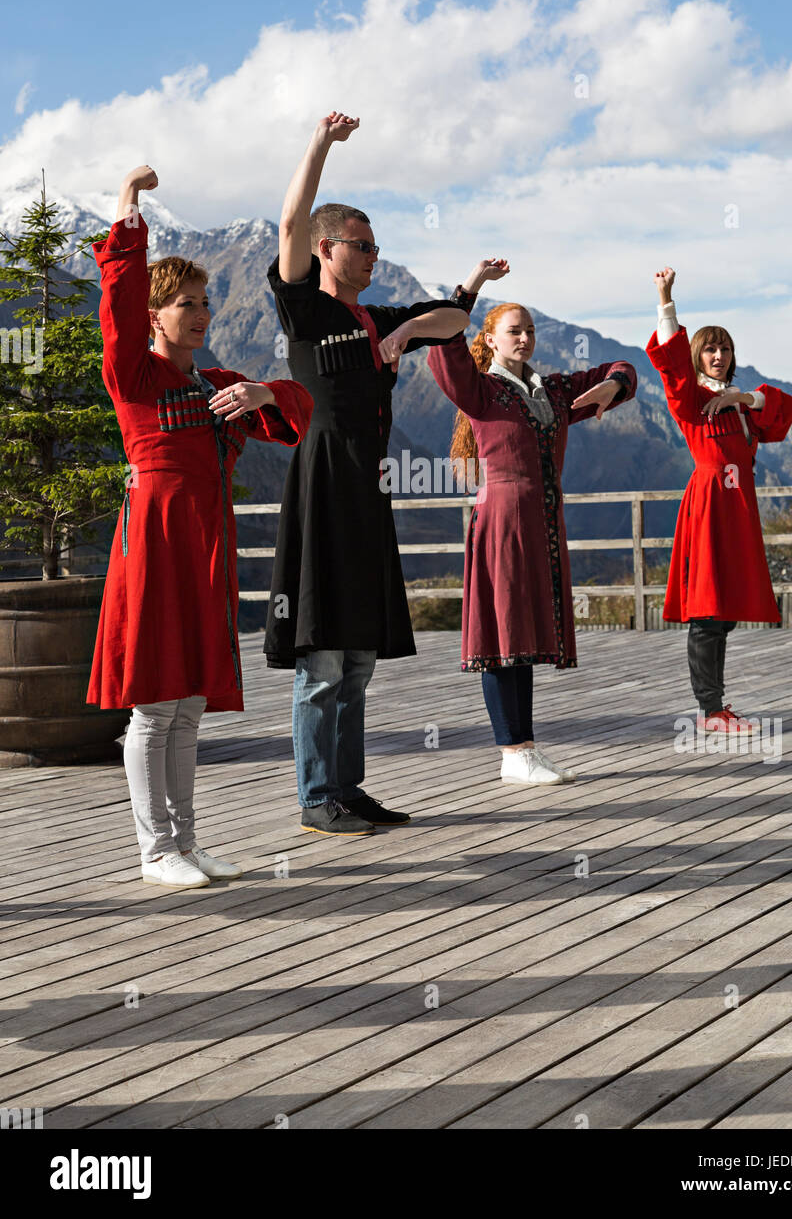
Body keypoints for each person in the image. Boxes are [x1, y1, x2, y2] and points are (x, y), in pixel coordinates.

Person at [88, 165, 313, 888]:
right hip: (152, 544)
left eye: (205, 301)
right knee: (153, 705)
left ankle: (185, 842)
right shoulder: (136, 377)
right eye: (185, 303)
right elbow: (115, 309)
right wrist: (129, 210)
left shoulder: (214, 387)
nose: (201, 312)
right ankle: (154, 851)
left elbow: (299, 416)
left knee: (186, 704)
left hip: (203, 546)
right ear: (154, 315)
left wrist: (262, 389)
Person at [265, 113, 470, 836]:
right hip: (322, 481)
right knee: (322, 661)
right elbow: (290, 220)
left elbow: (455, 320)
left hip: (369, 490)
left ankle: (348, 792)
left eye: (377, 246)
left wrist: (409, 330)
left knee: (356, 662)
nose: (374, 255)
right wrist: (320, 144)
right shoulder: (305, 308)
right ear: (328, 249)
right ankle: (317, 797)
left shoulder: (377, 315)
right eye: (363, 244)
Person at [427, 260, 637, 784]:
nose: (524, 337)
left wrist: (611, 387)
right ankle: (512, 751)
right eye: (513, 331)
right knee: (502, 634)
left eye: (529, 330)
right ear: (492, 341)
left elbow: (625, 367)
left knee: (521, 634)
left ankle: (524, 747)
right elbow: (440, 349)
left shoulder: (553, 392)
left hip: (542, 521)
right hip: (501, 520)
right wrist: (470, 288)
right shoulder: (480, 390)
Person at [646, 266, 792, 731]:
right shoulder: (690, 400)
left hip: (738, 509)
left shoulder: (739, 401)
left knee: (725, 608)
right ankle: (711, 710)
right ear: (698, 355)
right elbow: (671, 367)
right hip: (709, 505)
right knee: (709, 609)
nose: (718, 354)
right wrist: (666, 302)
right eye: (709, 348)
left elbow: (783, 413)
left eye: (724, 347)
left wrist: (743, 397)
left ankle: (715, 706)